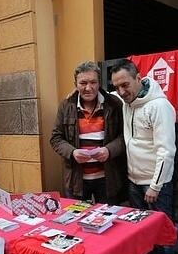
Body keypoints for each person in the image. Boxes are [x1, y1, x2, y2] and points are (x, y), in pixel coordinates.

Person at [110, 58, 178, 254]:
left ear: (139, 78)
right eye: (117, 86)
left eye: (126, 84)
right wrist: (82, 90)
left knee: (164, 235)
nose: (122, 91)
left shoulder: (159, 106)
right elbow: (107, 93)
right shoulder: (127, 100)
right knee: (139, 232)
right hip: (133, 181)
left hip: (155, 185)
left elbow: (166, 152)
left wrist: (155, 186)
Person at [51, 61, 126, 205]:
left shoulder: (114, 104)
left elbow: (125, 136)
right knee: (77, 220)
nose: (88, 88)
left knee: (108, 221)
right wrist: (72, 152)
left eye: (93, 82)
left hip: (107, 179)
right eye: (83, 83)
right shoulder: (66, 106)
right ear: (75, 84)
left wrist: (109, 150)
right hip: (76, 180)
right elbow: (56, 138)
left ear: (99, 83)